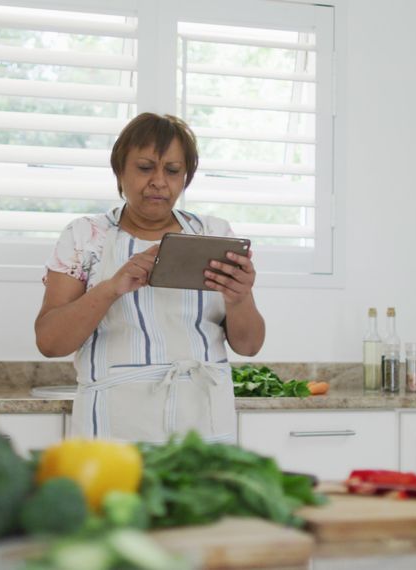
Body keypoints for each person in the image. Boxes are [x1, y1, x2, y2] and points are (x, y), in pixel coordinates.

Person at [35, 113, 265, 443]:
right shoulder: (85, 237)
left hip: (202, 424)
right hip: (114, 425)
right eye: (145, 168)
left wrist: (239, 297)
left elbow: (250, 345)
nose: (159, 181)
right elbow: (50, 342)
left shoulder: (214, 235)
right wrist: (112, 287)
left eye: (172, 171)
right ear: (120, 171)